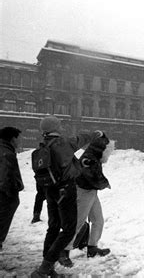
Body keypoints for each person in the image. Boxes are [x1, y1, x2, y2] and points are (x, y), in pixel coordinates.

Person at [31, 116, 103, 277]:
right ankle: (44, 268)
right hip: (65, 190)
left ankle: (48, 267)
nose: (62, 127)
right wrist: (95, 134)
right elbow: (80, 139)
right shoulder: (63, 143)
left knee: (53, 227)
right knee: (69, 230)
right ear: (55, 128)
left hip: (50, 190)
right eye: (59, 125)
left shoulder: (44, 144)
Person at [59, 135, 114, 267]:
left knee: (98, 220)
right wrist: (104, 183)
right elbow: (91, 176)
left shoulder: (94, 156)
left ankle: (92, 247)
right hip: (84, 191)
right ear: (102, 149)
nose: (109, 155)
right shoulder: (89, 158)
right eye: (108, 151)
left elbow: (95, 174)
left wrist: (102, 183)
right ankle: (63, 251)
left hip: (91, 191)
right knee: (77, 222)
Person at [0, 127, 23, 251]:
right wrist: (12, 194)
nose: (20, 141)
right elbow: (5, 177)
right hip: (4, 197)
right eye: (19, 138)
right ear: (13, 139)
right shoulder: (7, 154)